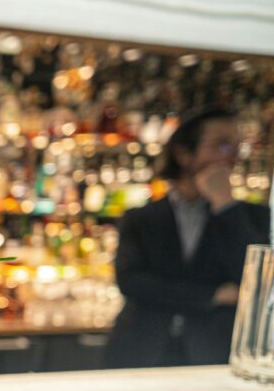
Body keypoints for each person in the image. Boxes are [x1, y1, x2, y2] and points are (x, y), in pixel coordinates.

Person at [106, 107, 271, 368]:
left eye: (237, 147)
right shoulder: (141, 218)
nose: (233, 157)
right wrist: (213, 295)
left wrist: (225, 205)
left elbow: (256, 282)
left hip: (214, 355)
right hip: (141, 353)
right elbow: (132, 282)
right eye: (222, 145)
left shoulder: (248, 216)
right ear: (184, 154)